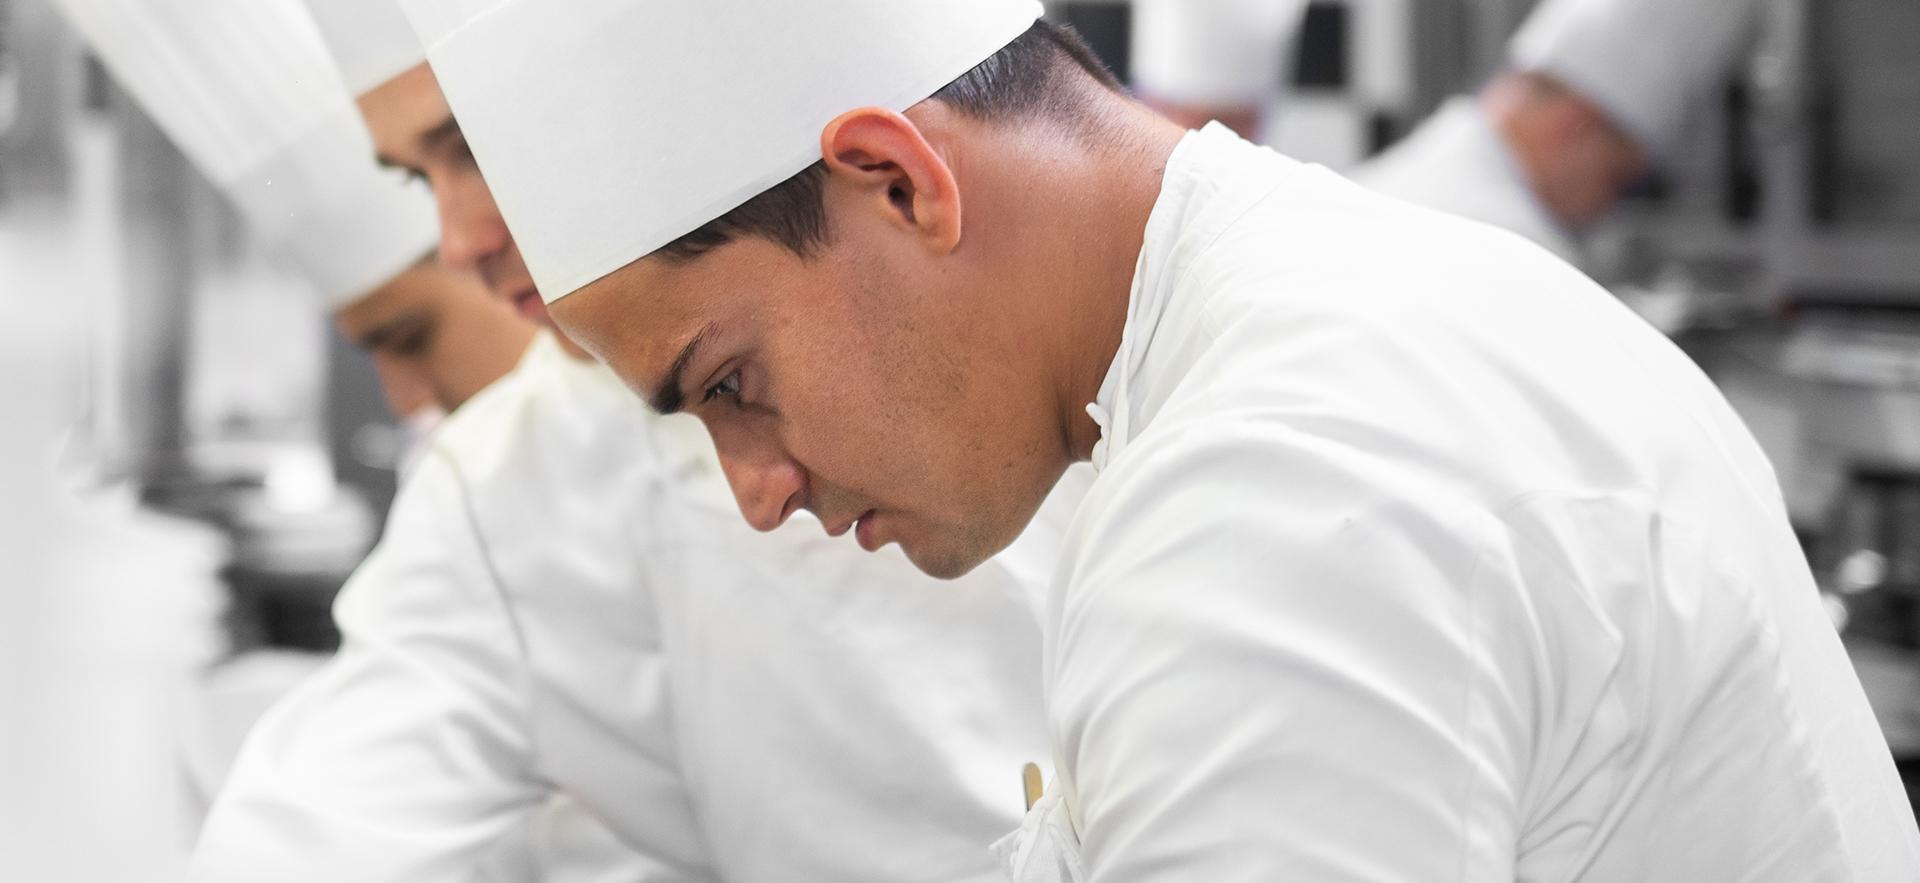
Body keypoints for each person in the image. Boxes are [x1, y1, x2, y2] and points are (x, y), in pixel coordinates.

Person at [404, 0, 1920, 878]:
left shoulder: (1283, 481)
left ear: (897, 182)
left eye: (729, 383)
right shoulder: (1312, 328)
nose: (755, 491)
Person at [64, 1, 1078, 881]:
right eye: (419, 178)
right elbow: (322, 829)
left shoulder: (1125, 347)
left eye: (474, 139)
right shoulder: (517, 480)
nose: (459, 241)